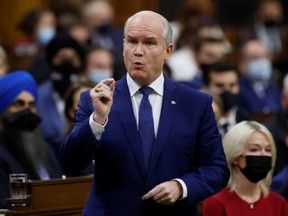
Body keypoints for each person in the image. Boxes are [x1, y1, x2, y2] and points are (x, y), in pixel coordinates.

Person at [60, 10, 229, 215]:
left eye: (149, 43)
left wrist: (181, 186)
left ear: (168, 51)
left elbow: (216, 169)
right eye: (132, 41)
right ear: (123, 46)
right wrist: (97, 120)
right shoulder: (95, 99)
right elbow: (71, 164)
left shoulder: (196, 103)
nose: (138, 51)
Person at [0, 71, 63, 208]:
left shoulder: (46, 149)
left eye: (31, 105)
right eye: (19, 104)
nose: (27, 111)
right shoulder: (2, 154)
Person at [203, 121, 288, 216]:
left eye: (268, 150)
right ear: (235, 157)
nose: (264, 155)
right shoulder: (216, 203)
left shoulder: (279, 203)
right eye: (254, 149)